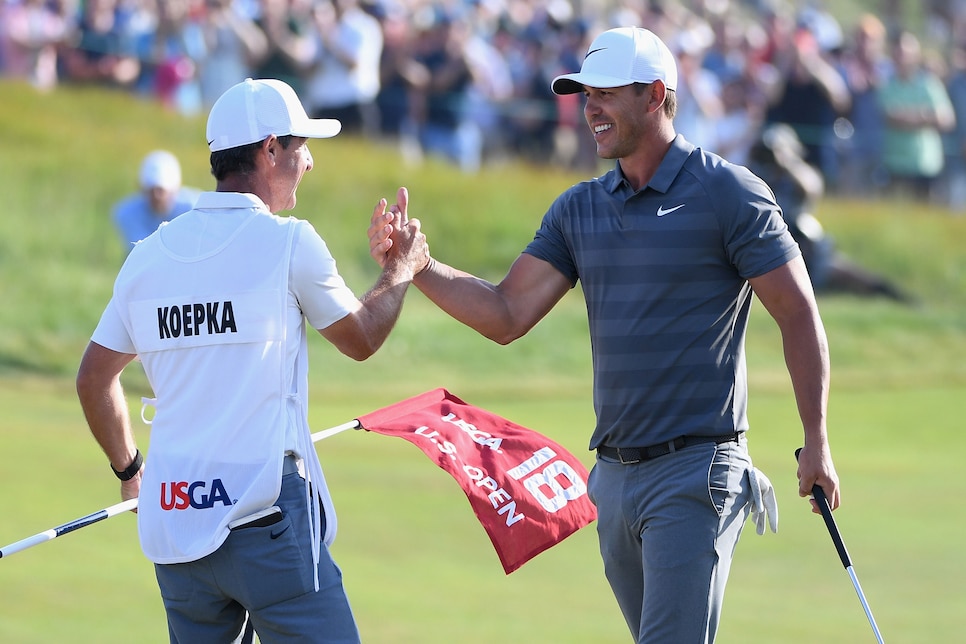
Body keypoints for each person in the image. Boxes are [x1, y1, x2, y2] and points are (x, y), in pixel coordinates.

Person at [369, 27, 840, 643]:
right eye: (584, 94)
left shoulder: (729, 193)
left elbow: (797, 312)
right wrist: (419, 267)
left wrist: (816, 440)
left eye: (606, 93)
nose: (589, 108)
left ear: (654, 96)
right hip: (613, 482)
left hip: (697, 472)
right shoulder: (579, 208)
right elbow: (508, 314)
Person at [76, 77, 427, 643]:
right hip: (267, 520)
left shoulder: (146, 258)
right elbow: (361, 339)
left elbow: (94, 379)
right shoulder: (288, 241)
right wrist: (400, 270)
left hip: (176, 524)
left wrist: (129, 471)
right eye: (300, 146)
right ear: (269, 150)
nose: (308, 162)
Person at [748, 123, 913, 302]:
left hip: (808, 247)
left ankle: (894, 297)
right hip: (774, 249)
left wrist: (787, 161)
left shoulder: (801, 173)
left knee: (852, 276)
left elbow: (811, 189)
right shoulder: (761, 179)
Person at [111, 150, 200, 254]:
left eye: (161, 191)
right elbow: (142, 251)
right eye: (151, 191)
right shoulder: (127, 213)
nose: (156, 196)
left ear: (173, 190)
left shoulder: (194, 207)